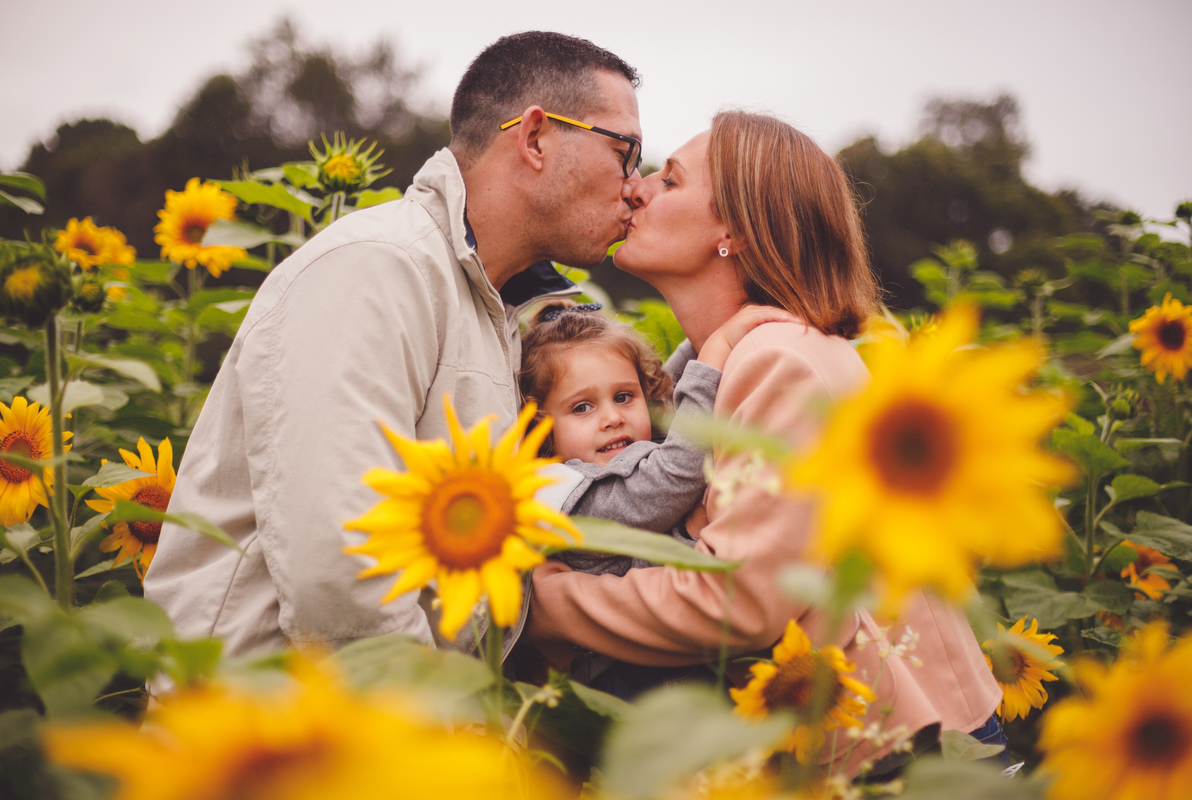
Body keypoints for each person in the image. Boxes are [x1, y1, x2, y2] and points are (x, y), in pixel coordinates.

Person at [522, 111, 1003, 774]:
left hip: (893, 756)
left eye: (670, 180)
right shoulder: (752, 355)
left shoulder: (777, 362)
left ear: (734, 232)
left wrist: (539, 603)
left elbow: (738, 602)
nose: (636, 187)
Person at [144, 31, 643, 658]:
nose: (635, 184)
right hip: (267, 710)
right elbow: (342, 575)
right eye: (625, 151)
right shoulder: (376, 268)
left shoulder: (489, 304)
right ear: (536, 138)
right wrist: (436, 715)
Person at [518, 301, 792, 577]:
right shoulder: (571, 501)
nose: (613, 417)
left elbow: (674, 388)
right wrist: (717, 345)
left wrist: (706, 335)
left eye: (623, 397)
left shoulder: (630, 438)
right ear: (540, 427)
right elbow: (676, 472)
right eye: (582, 408)